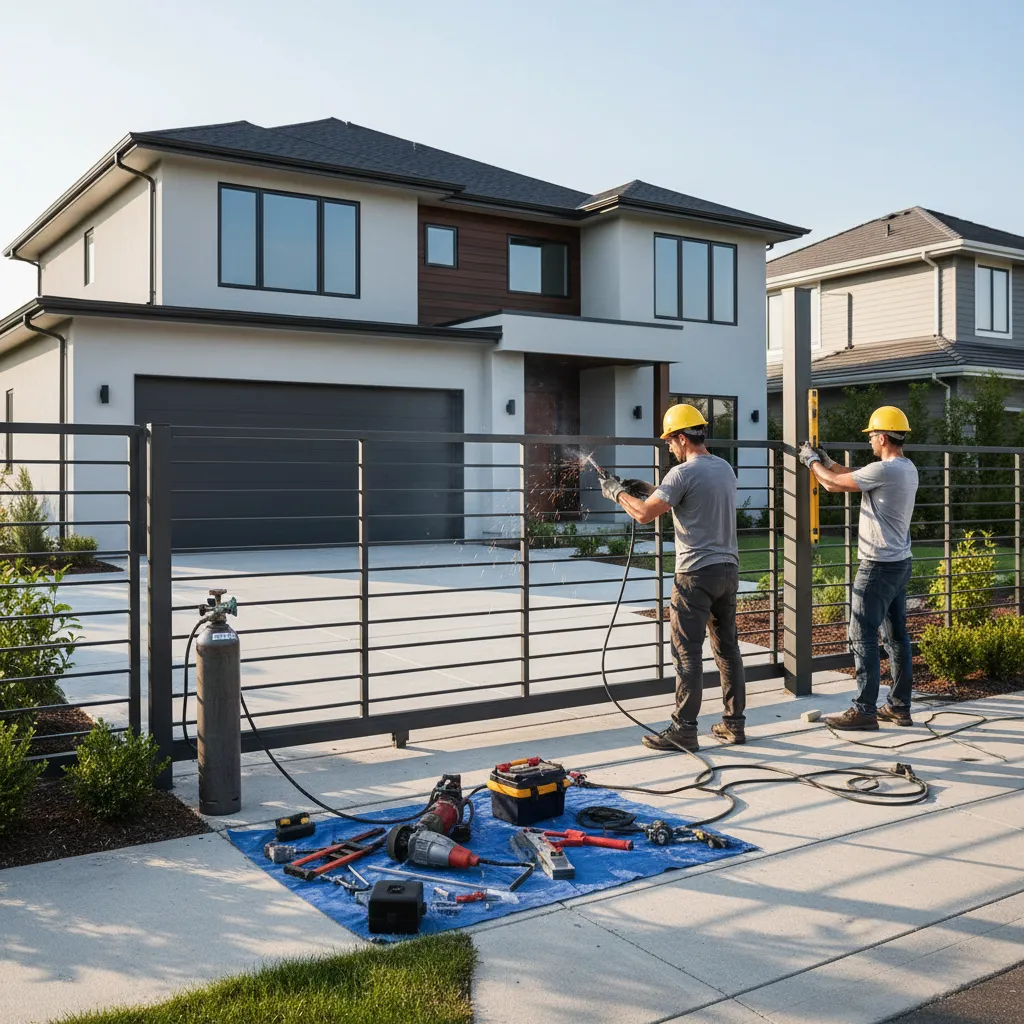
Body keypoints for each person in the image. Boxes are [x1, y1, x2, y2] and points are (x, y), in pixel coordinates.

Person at [601, 403, 746, 752]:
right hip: (727, 572)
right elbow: (693, 500)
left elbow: (644, 515)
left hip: (694, 575)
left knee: (686, 653)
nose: (668, 446)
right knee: (727, 650)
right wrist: (650, 487)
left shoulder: (680, 474)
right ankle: (734, 725)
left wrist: (617, 492)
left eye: (669, 441)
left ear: (682, 438)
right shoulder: (724, 468)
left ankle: (684, 729)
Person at [798, 406, 919, 729]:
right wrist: (825, 458)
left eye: (871, 437)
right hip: (899, 563)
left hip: (878, 566)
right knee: (896, 637)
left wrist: (811, 462)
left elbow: (833, 485)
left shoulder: (886, 471)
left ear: (882, 437)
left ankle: (865, 710)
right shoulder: (905, 468)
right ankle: (899, 706)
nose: (869, 442)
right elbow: (851, 472)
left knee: (861, 635)